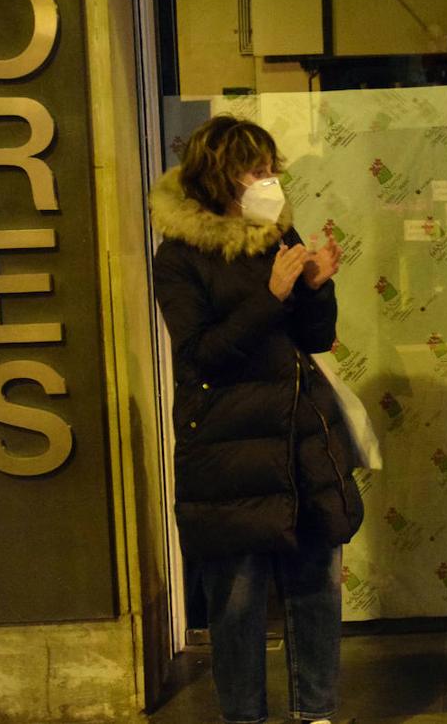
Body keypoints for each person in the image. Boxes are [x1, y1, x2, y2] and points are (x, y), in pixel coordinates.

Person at [152, 115, 364, 724]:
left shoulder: (277, 234)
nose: (269, 180)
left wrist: (317, 289)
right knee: (239, 601)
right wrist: (267, 296)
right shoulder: (180, 256)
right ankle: (244, 717)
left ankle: (315, 712)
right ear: (220, 176)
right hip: (229, 449)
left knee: (316, 587)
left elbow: (314, 338)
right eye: (256, 169)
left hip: (300, 440)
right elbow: (201, 355)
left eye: (272, 168)